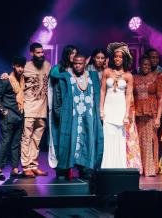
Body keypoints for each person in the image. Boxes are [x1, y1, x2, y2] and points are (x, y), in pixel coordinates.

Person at [50, 55, 104, 179]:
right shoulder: (67, 76)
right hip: (72, 116)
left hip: (88, 116)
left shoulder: (92, 76)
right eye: (75, 63)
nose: (77, 66)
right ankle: (64, 169)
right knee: (69, 141)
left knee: (88, 141)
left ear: (85, 63)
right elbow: (53, 73)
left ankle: (85, 169)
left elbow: (99, 95)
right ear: (72, 64)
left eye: (80, 63)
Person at [100, 42, 133, 168]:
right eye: (115, 56)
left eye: (120, 57)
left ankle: (119, 167)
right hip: (108, 108)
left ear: (124, 59)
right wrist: (101, 110)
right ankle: (107, 166)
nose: (117, 59)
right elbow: (103, 91)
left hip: (120, 109)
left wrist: (126, 115)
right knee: (108, 138)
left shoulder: (128, 76)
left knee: (120, 139)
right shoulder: (107, 71)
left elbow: (128, 96)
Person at [0, 56, 26, 180]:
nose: (21, 69)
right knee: (5, 143)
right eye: (18, 66)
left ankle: (15, 169)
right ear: (13, 65)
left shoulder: (23, 79)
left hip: (19, 116)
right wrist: (4, 112)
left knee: (16, 144)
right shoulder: (6, 79)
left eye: (22, 67)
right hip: (8, 117)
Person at [47, 45, 78, 176]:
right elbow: (52, 74)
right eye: (71, 54)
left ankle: (71, 166)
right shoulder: (59, 67)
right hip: (60, 106)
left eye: (75, 54)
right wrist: (65, 76)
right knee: (61, 137)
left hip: (75, 107)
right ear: (66, 54)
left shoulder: (78, 68)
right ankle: (61, 167)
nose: (74, 56)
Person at [21, 42, 51, 177]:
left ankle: (33, 165)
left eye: (42, 52)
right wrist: (5, 75)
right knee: (26, 137)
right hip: (28, 107)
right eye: (38, 53)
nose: (41, 55)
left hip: (42, 108)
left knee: (36, 139)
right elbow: (15, 81)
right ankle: (26, 166)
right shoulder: (25, 66)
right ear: (31, 53)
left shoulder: (47, 65)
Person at [133, 55, 162, 176]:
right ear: (139, 65)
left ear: (151, 66)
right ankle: (139, 167)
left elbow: (161, 98)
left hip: (151, 114)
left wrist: (158, 118)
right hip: (137, 114)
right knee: (138, 141)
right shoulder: (134, 78)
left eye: (148, 65)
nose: (146, 67)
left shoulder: (157, 78)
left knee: (150, 141)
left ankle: (150, 169)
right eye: (143, 64)